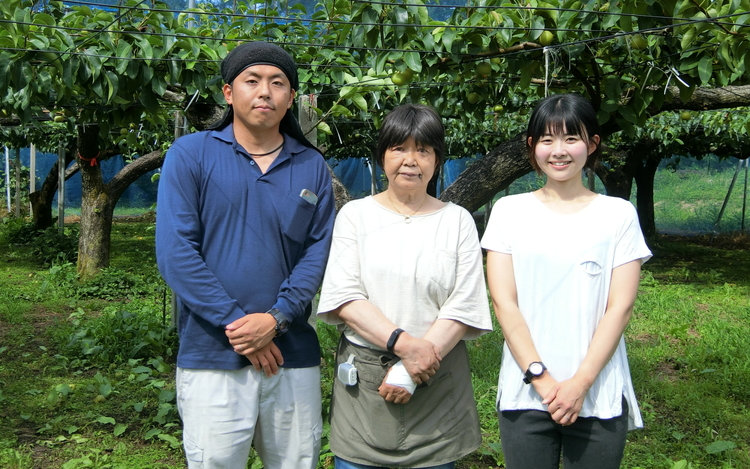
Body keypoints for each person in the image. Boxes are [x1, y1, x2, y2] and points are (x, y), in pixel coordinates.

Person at [155, 41, 335, 469]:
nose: (265, 92)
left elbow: (318, 251)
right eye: (251, 81)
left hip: (291, 355)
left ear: (292, 97)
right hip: (212, 353)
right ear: (228, 92)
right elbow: (176, 252)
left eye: (277, 83)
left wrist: (275, 320)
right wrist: (239, 326)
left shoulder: (311, 165)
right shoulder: (192, 155)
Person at [317, 103, 493, 469]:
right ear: (382, 155)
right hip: (366, 381)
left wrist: (415, 364)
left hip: (436, 375)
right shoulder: (356, 215)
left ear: (436, 160)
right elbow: (345, 296)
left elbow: (464, 303)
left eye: (423, 150)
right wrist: (406, 346)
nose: (410, 160)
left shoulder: (457, 221)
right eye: (399, 148)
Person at [481, 93, 652, 469]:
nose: (559, 151)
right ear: (532, 147)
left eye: (571, 138)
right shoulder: (509, 212)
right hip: (525, 394)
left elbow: (619, 307)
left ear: (592, 144)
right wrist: (539, 378)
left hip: (599, 395)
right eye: (547, 139)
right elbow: (504, 303)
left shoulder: (617, 215)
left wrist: (580, 384)